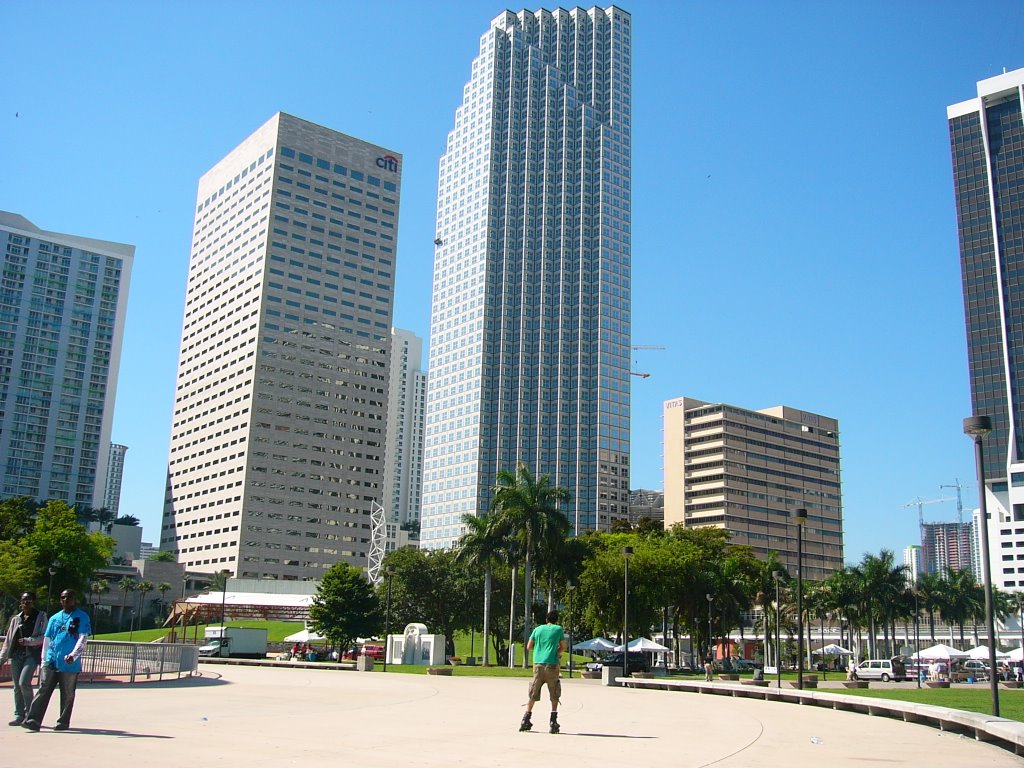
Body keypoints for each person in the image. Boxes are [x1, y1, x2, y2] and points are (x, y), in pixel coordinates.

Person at [21, 588, 91, 732]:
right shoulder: (54, 618)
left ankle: (63, 722)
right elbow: (47, 639)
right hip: (51, 660)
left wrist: (74, 655)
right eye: (63, 597)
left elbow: (83, 638)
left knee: (67, 694)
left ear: (74, 599)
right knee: (43, 689)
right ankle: (33, 720)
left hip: (69, 664)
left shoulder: (81, 617)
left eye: (69, 597)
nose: (66, 600)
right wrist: (44, 659)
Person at [0, 592, 47, 726]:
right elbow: (8, 640)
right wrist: (1, 658)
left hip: (31, 655)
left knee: (24, 682)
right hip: (16, 655)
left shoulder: (41, 616)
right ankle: (19, 714)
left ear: (34, 602)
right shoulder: (16, 619)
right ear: (20, 602)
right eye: (24, 600)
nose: (26, 602)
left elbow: (44, 637)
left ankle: (30, 714)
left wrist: (28, 641)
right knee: (16, 686)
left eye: (29, 600)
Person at [520, 610, 566, 734]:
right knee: (554, 693)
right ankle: (553, 721)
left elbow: (529, 646)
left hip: (538, 665)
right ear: (556, 620)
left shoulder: (538, 629)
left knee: (533, 692)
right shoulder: (558, 629)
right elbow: (563, 646)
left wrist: (539, 650)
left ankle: (526, 718)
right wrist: (556, 652)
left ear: (546, 619)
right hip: (552, 664)